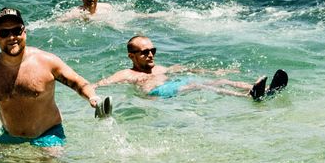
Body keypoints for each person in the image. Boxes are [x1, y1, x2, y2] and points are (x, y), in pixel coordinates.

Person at [0, 7, 106, 145]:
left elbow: (79, 83)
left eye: (16, 31)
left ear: (24, 32)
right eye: (4, 33)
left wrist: (93, 98)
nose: (11, 37)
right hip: (9, 136)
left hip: (49, 135)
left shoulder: (47, 61)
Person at [95, 36, 285, 100]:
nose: (151, 54)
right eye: (145, 52)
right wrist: (91, 93)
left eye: (153, 50)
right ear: (132, 56)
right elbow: (101, 84)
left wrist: (214, 72)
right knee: (198, 86)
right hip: (156, 93)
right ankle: (248, 96)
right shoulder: (127, 73)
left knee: (220, 81)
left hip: (174, 85)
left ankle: (266, 90)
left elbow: (189, 69)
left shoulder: (160, 68)